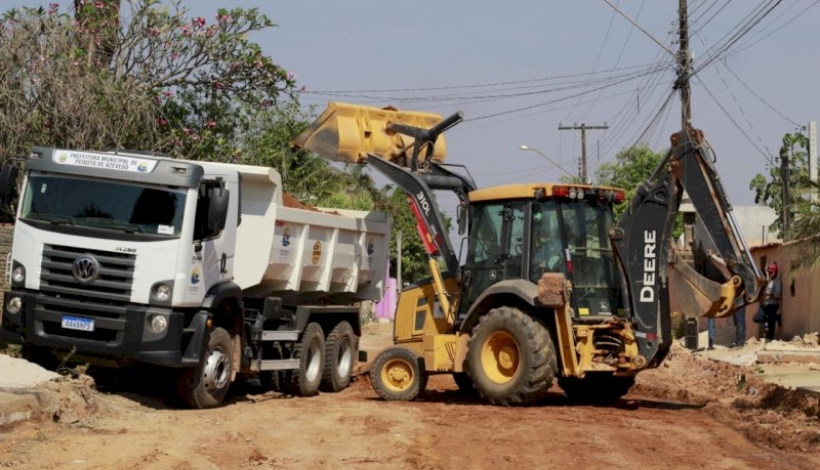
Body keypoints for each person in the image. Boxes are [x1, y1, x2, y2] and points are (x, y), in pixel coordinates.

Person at [761, 262, 782, 341]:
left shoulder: (777, 281)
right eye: (768, 272)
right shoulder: (769, 281)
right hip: (766, 304)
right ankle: (767, 334)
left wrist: (770, 294)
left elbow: (778, 294)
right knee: (759, 318)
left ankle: (770, 338)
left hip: (773, 305)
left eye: (771, 272)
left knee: (771, 322)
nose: (769, 273)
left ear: (775, 272)